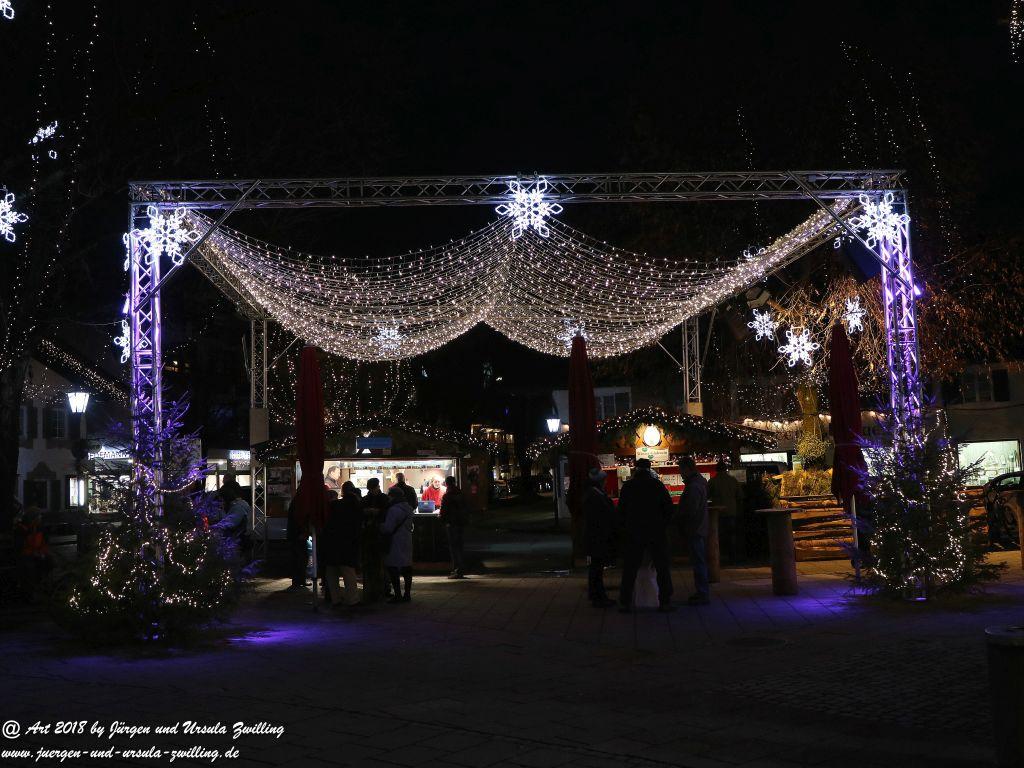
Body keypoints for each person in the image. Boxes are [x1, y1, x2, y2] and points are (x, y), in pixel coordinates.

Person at [617, 458, 675, 612]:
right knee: (662, 567)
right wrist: (662, 525)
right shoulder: (657, 485)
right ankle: (665, 601)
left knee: (630, 567)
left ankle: (625, 602)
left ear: (636, 469)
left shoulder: (628, 487)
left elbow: (621, 511)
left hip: (634, 532)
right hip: (656, 531)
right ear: (649, 469)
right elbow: (669, 509)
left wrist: (626, 527)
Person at [321, 481, 363, 606]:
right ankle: (352, 599)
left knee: (332, 572)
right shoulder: (355, 505)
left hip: (331, 543)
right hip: (347, 543)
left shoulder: (333, 505)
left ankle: (335, 599)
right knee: (348, 573)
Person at [582, 467, 617, 608]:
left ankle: (595, 594)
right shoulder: (595, 495)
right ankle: (599, 596)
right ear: (600, 481)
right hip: (597, 536)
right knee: (597, 567)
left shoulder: (591, 494)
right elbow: (604, 515)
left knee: (596, 567)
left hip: (593, 536)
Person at [678, 456, 711, 606]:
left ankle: (702, 593)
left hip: (695, 528)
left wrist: (680, 517)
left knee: (698, 561)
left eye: (681, 470)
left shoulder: (693, 486)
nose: (680, 473)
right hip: (700, 526)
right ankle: (702, 592)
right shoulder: (700, 482)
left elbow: (690, 509)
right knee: (699, 560)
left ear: (687, 469)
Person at [381, 485, 415, 603]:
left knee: (393, 567)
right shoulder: (409, 508)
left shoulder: (393, 510)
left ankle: (397, 595)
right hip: (407, 539)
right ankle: (407, 594)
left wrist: (380, 527)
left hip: (395, 541)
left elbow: (388, 528)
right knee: (407, 567)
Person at [708, 459, 745, 563]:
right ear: (726, 469)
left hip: (717, 513)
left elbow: (706, 496)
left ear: (716, 470)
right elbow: (740, 496)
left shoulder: (712, 481)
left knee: (718, 536)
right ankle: (732, 557)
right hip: (732, 511)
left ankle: (719, 557)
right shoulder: (733, 480)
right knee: (732, 535)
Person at [360, 478, 389, 601]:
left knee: (376, 562)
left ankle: (379, 589)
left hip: (374, 534)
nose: (373, 490)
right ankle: (379, 589)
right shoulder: (383, 499)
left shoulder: (368, 499)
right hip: (375, 535)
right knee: (378, 562)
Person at [212, 484, 253, 561]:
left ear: (225, 498)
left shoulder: (238, 507)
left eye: (221, 500)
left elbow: (230, 523)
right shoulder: (239, 504)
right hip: (241, 541)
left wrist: (212, 528)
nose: (220, 503)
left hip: (240, 542)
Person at [439, 476, 468, 579]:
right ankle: (460, 569)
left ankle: (457, 570)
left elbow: (443, 511)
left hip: (451, 524)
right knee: (460, 547)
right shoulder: (461, 493)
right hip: (461, 523)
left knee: (454, 548)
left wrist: (442, 520)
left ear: (446, 483)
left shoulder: (447, 495)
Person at [285, 496, 309, 590]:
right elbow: (299, 520)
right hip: (297, 535)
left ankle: (297, 580)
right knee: (301, 557)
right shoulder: (299, 505)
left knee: (297, 557)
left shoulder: (295, 503)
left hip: (294, 535)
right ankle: (300, 580)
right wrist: (303, 532)